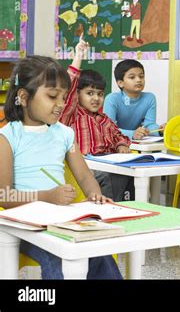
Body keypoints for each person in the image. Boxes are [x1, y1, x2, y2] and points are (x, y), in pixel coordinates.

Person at [0, 55, 122, 279]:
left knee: (100, 253)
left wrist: (95, 196)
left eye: (64, 97)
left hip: (62, 219)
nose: (61, 104)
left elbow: (84, 176)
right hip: (24, 225)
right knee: (60, 259)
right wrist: (46, 196)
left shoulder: (65, 134)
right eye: (52, 96)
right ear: (24, 97)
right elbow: (3, 195)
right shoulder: (8, 137)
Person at [60, 37, 133, 202]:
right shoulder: (72, 115)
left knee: (126, 176)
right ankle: (107, 211)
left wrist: (121, 144)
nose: (96, 99)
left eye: (100, 94)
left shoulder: (104, 119)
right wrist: (78, 56)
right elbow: (69, 87)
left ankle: (123, 210)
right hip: (83, 169)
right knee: (107, 178)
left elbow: (119, 135)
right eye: (90, 93)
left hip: (108, 165)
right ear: (77, 95)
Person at [104, 59, 163, 140]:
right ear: (120, 83)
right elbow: (109, 129)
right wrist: (132, 134)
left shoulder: (150, 98)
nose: (138, 80)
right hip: (115, 143)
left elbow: (149, 125)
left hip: (137, 143)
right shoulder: (112, 99)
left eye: (141, 76)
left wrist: (160, 130)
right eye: (132, 77)